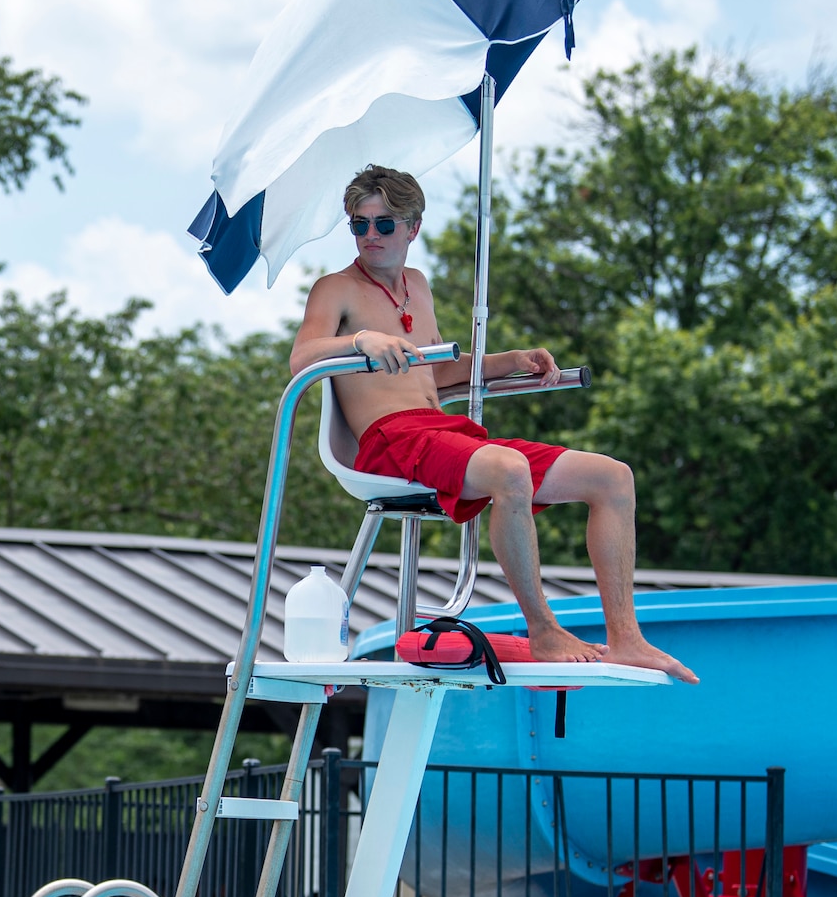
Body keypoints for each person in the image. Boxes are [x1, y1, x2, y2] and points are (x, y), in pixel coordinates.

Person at [289, 163, 695, 683]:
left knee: (612, 477)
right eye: (359, 224)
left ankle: (627, 638)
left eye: (384, 223)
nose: (370, 235)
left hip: (442, 432)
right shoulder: (335, 288)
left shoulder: (417, 284)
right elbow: (303, 358)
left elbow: (438, 373)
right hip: (389, 441)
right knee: (508, 469)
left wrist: (510, 360)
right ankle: (544, 631)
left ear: (412, 227)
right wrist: (359, 341)